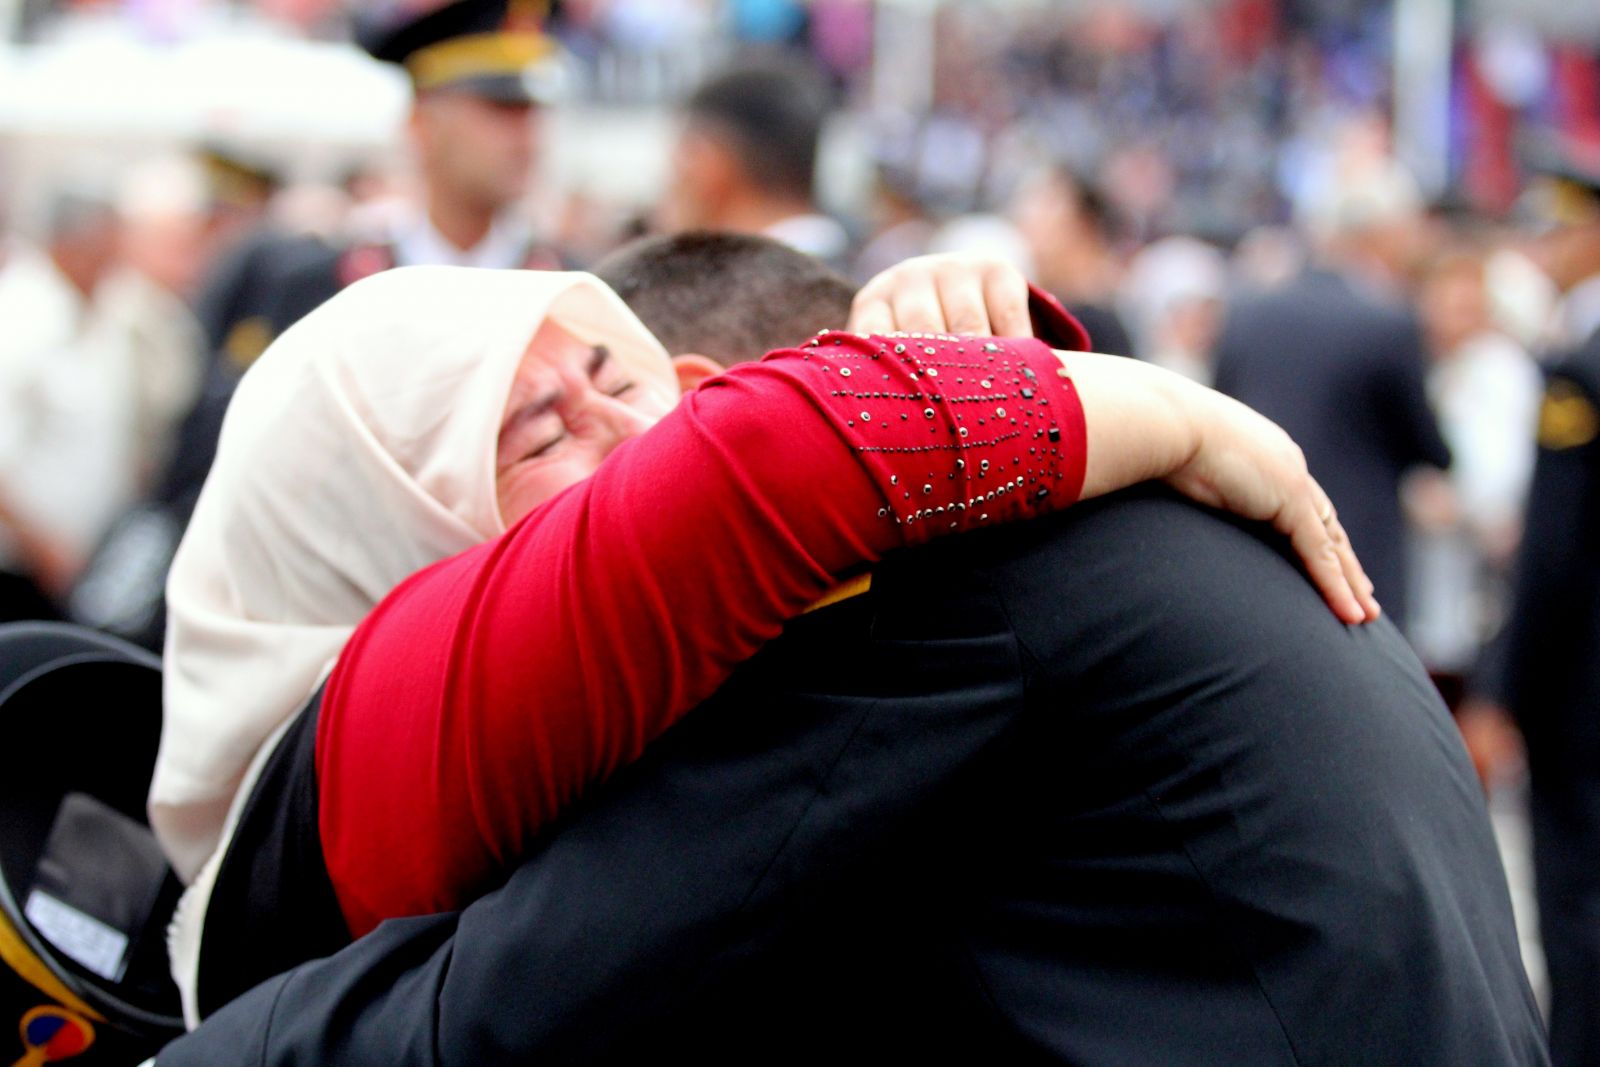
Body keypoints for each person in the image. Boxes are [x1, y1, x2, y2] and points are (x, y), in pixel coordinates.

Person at [153, 253, 1541, 1066]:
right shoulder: (405, 690)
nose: (637, 431)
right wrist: (1120, 400)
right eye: (531, 429)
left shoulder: (920, 597)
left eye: (623, 378)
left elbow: (510, 999)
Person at [1467, 150, 1600, 1067]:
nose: (1541, 247)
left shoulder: (1578, 363)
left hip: (1585, 689)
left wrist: (1500, 690)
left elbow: (1553, 555)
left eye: (1556, 227)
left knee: (1578, 904)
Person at [1213, 159, 1452, 629]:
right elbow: (1431, 449)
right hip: (1356, 557)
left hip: (1257, 547)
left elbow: (1218, 411)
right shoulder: (1387, 322)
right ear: (1380, 233)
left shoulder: (1248, 311)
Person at [658, 56, 852, 268]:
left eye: (685, 155)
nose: (669, 188)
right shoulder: (871, 278)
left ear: (709, 163)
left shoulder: (744, 291)